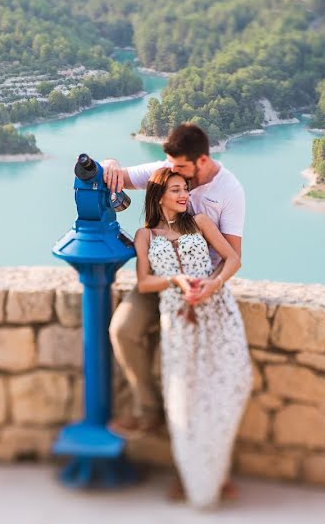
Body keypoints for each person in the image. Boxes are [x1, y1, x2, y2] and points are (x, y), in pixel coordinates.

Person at [101, 123, 245, 439]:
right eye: (170, 171)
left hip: (202, 287)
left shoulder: (229, 192)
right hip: (160, 278)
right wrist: (109, 164)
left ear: (202, 162)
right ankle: (150, 411)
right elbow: (115, 177)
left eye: (179, 169)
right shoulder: (167, 171)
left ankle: (199, 442)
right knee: (123, 330)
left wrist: (212, 284)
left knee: (195, 370)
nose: (172, 172)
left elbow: (233, 256)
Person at [129, 166, 251, 508]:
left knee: (230, 387)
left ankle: (218, 471)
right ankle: (193, 478)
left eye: (185, 189)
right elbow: (143, 282)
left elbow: (232, 259)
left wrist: (212, 284)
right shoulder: (145, 236)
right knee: (185, 397)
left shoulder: (200, 223)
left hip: (217, 312)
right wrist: (176, 281)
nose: (185, 195)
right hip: (178, 320)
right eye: (176, 191)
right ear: (159, 196)